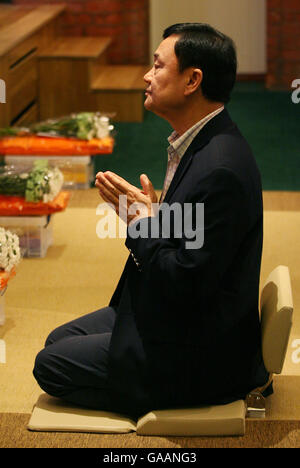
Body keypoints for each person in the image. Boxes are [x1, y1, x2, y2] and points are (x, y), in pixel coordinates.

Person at [33, 23, 270, 418]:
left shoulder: (220, 168)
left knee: (50, 366)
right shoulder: (202, 140)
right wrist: (158, 216)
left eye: (158, 67)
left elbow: (189, 281)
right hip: (173, 313)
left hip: (199, 347)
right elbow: (194, 245)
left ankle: (165, 396)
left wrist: (142, 223)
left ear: (193, 80)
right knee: (57, 340)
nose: (146, 75)